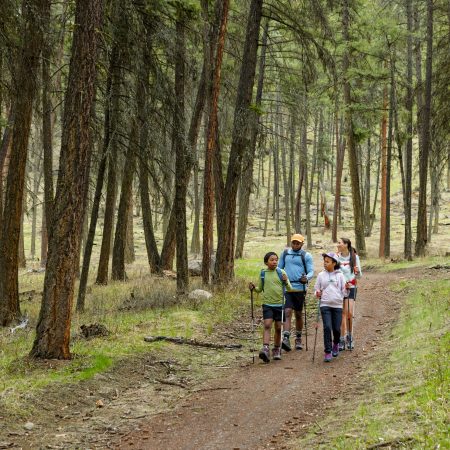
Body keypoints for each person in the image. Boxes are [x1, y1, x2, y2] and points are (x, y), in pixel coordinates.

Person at [249, 252, 293, 363]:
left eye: (276, 260)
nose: (274, 262)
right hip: (267, 304)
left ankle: (277, 349)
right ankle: (265, 348)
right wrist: (253, 288)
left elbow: (290, 288)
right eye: (271, 260)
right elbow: (260, 289)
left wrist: (285, 281)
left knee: (278, 328)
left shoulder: (281, 272)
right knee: (267, 325)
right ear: (266, 262)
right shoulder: (263, 273)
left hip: (279, 304)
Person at [278, 233, 314, 351]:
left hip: (300, 288)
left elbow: (311, 272)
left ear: (302, 244)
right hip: (288, 287)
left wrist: (306, 278)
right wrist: (280, 277)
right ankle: (286, 338)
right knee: (287, 311)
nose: (295, 244)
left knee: (298, 314)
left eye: (297, 243)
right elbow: (279, 268)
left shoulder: (306, 256)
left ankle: (298, 338)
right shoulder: (285, 253)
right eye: (293, 242)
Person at [314, 252, 347, 362]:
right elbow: (316, 290)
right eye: (324, 261)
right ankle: (327, 351)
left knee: (337, 329)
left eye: (327, 261)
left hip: (337, 305)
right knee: (327, 327)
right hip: (325, 305)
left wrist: (347, 288)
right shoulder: (320, 275)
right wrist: (317, 293)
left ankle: (336, 344)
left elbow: (345, 293)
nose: (325, 263)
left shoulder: (340, 275)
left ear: (334, 263)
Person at [336, 238, 362, 350]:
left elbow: (359, 276)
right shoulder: (336, 257)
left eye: (339, 243)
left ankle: (350, 336)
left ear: (346, 245)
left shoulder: (354, 257)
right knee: (342, 314)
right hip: (339, 289)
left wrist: (357, 272)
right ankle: (342, 338)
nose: (338, 245)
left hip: (351, 288)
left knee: (350, 313)